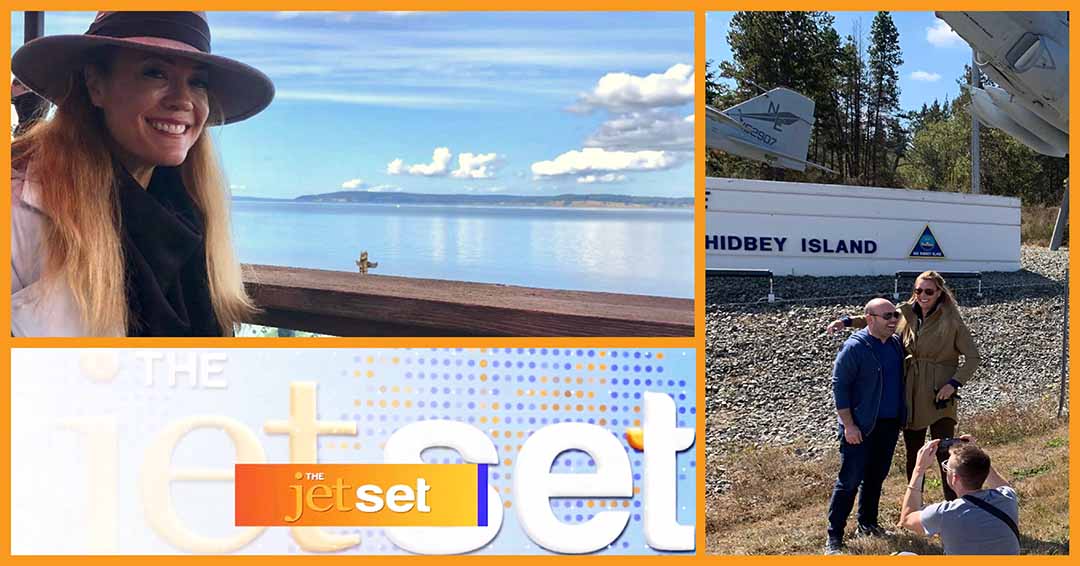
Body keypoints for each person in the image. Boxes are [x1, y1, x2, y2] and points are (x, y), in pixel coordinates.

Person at [11, 11, 275, 336]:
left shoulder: (190, 215)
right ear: (96, 86)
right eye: (155, 73)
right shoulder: (20, 215)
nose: (182, 99)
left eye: (198, 82)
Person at [826, 271, 981, 500]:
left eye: (929, 291)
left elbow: (974, 358)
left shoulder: (952, 320)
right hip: (911, 392)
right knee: (915, 454)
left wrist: (954, 383)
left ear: (939, 292)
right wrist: (846, 322)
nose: (922, 295)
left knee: (945, 453)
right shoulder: (906, 312)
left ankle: (954, 504)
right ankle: (914, 505)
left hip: (940, 395)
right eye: (918, 290)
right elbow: (876, 316)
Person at [825, 298, 906, 554]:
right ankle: (834, 537)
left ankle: (868, 524)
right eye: (888, 317)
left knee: (875, 477)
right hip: (860, 427)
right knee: (849, 480)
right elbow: (840, 388)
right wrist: (848, 426)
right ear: (870, 319)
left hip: (889, 424)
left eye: (895, 315)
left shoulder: (895, 344)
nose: (894, 320)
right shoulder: (854, 348)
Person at [899, 437, 1020, 555]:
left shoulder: (945, 513)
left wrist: (918, 469)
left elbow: (907, 519)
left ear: (955, 478)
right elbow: (1003, 485)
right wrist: (977, 455)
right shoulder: (1007, 498)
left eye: (946, 467)